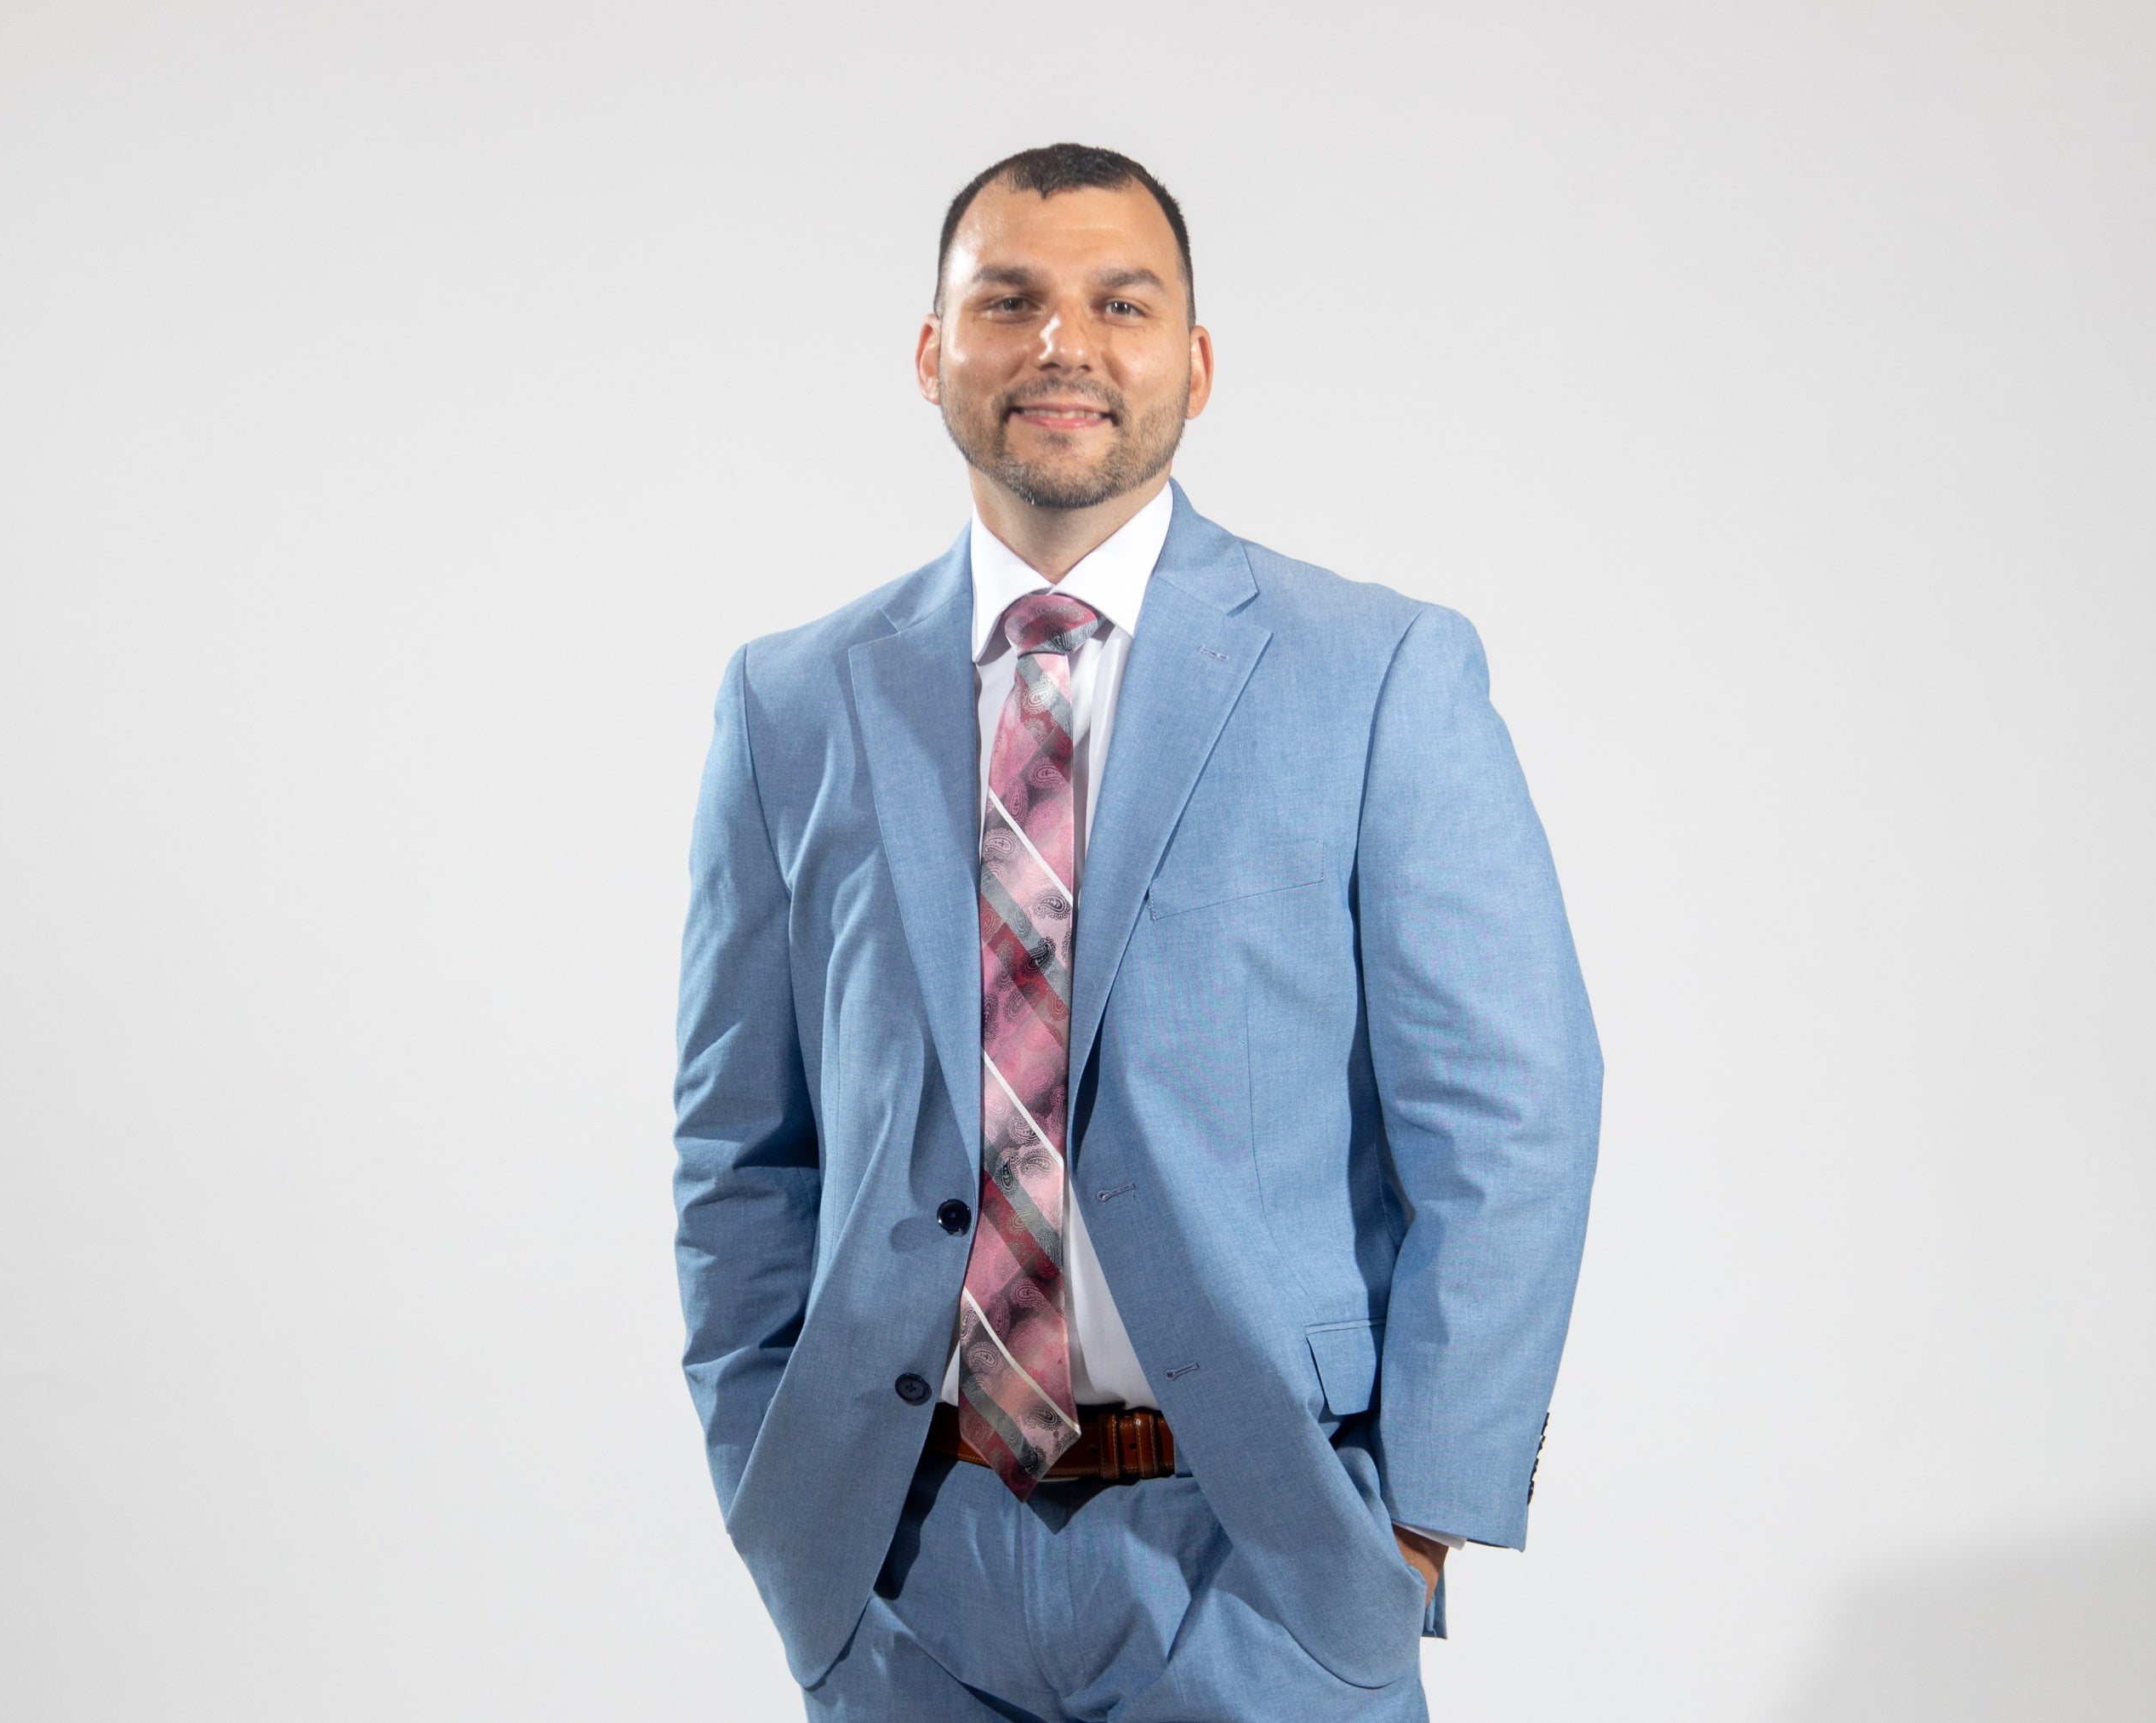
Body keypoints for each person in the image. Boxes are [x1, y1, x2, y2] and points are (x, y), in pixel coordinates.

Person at [672, 142, 1601, 1721]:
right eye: (1009, 301)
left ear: (1196, 359)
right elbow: (739, 1145)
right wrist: (783, 1498)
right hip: (902, 1568)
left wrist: (1417, 1525)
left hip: (1263, 1562)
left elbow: (1508, 1115)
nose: (1063, 345)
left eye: (1121, 301)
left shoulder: (1374, 673)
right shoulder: (792, 700)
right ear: (930, 352)